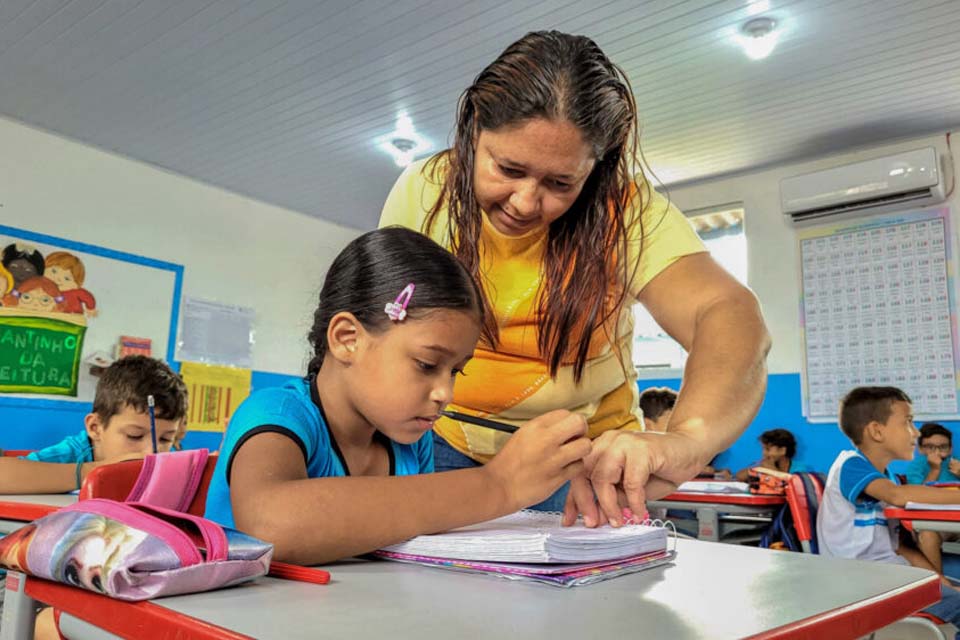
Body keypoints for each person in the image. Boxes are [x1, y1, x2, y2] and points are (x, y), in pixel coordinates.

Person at [380, 30, 769, 527]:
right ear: (474, 131)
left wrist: (687, 438)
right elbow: (382, 331)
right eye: (507, 168)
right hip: (437, 444)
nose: (523, 202)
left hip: (583, 466)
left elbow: (728, 314)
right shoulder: (423, 190)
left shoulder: (625, 213)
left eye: (559, 183)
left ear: (596, 170)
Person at [203, 227, 590, 565]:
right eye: (426, 364)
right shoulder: (276, 413)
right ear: (347, 339)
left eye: (456, 371)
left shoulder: (409, 445)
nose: (445, 393)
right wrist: (499, 485)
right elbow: (272, 524)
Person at [816, 386, 960, 625]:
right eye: (908, 422)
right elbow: (897, 495)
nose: (916, 434)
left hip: (888, 573)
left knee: (953, 591)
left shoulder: (887, 476)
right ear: (876, 430)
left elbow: (902, 545)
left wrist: (938, 580)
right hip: (858, 579)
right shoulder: (850, 465)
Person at [0, 355, 186, 494]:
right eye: (134, 435)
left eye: (166, 438)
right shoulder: (74, 453)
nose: (150, 452)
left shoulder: (168, 460)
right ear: (95, 427)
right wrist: (94, 471)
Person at [905, 422, 960, 578]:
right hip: (933, 524)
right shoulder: (917, 466)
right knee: (927, 534)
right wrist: (934, 470)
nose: (937, 452)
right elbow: (917, 498)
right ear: (920, 449)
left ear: (950, 449)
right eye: (930, 447)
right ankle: (937, 585)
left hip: (957, 520)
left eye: (942, 447)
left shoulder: (956, 463)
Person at [734, 428, 808, 482]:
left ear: (782, 450)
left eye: (768, 449)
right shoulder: (761, 465)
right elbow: (739, 476)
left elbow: (791, 485)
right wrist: (757, 468)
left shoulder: (799, 469)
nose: (764, 453)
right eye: (763, 449)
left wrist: (770, 468)